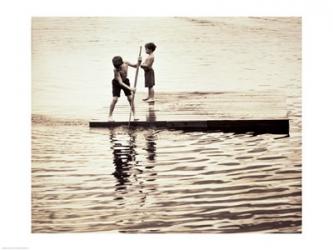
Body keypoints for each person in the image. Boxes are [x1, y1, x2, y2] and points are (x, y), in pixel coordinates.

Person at [108, 56, 140, 121]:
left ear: (122, 63)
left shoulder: (126, 63)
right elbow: (120, 82)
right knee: (115, 99)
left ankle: (134, 115)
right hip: (117, 83)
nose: (118, 68)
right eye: (117, 67)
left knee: (130, 98)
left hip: (125, 81)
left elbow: (135, 66)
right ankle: (110, 116)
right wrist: (131, 89)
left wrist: (139, 62)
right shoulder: (115, 70)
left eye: (119, 67)